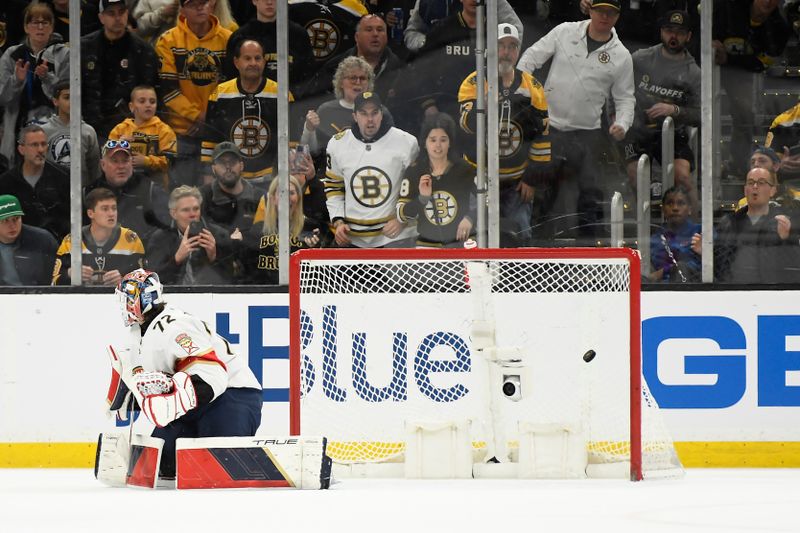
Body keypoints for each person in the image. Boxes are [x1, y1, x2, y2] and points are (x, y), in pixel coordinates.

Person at [113, 267, 262, 479]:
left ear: (142, 300)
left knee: (220, 467)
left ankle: (252, 457)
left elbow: (214, 375)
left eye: (127, 299)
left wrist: (173, 401)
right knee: (161, 466)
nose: (123, 306)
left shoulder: (175, 327)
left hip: (232, 396)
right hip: (194, 405)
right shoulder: (139, 333)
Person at [517, 0, 635, 242]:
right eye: (600, 10)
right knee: (541, 192)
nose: (604, 16)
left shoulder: (622, 56)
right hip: (550, 127)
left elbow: (625, 98)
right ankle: (537, 248)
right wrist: (524, 93)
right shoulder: (564, 31)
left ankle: (589, 250)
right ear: (590, 10)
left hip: (588, 133)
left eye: (610, 12)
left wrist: (622, 124)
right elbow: (531, 58)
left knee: (590, 194)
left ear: (618, 16)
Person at [458, 23, 551, 246]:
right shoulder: (473, 82)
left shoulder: (533, 87)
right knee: (476, 239)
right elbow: (465, 125)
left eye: (512, 46)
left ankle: (519, 279)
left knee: (519, 237)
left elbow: (543, 138)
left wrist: (531, 178)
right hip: (477, 178)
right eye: (500, 45)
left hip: (517, 182)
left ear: (518, 51)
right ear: (490, 48)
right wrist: (489, 104)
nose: (506, 52)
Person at [622, 10, 701, 211]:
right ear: (661, 32)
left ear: (689, 36)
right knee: (635, 175)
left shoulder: (694, 73)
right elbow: (617, 86)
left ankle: (697, 229)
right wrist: (616, 115)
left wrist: (674, 109)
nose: (673, 36)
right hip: (638, 130)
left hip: (674, 133)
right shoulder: (640, 59)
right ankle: (640, 227)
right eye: (669, 30)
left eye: (680, 32)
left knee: (683, 176)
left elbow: (702, 114)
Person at [324, 91, 419, 248]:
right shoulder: (337, 144)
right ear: (355, 116)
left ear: (381, 114)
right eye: (363, 113)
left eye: (374, 113)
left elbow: (417, 187)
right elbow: (334, 187)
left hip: (396, 238)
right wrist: (338, 222)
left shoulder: (406, 142)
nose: (370, 119)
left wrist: (402, 220)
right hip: (353, 239)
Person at [156, 0, 232, 187]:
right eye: (193, 4)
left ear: (212, 5)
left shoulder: (228, 38)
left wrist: (211, 115)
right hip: (183, 132)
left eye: (204, 2)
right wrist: (197, 115)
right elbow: (167, 89)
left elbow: (231, 84)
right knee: (182, 194)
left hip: (218, 132)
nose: (200, 7)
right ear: (182, 9)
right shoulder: (168, 40)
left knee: (216, 195)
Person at [713, 0, 790, 176]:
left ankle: (738, 163)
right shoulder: (726, 8)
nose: (769, 1)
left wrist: (729, 60)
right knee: (701, 110)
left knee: (745, 112)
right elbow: (700, 31)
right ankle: (705, 164)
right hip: (708, 67)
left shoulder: (779, 29)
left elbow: (761, 64)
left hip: (741, 72)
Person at [202, 39, 294, 185]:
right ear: (236, 62)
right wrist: (208, 179)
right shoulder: (220, 93)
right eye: (247, 58)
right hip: (230, 179)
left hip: (271, 180)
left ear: (264, 62)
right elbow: (209, 141)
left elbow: (292, 142)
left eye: (257, 58)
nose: (253, 63)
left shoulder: (281, 93)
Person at [692, 167, 800, 283]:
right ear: (745, 190)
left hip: (770, 292)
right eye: (750, 182)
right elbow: (721, 268)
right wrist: (705, 253)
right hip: (735, 292)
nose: (755, 186)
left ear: (773, 190)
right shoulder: (728, 223)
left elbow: (793, 268)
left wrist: (786, 239)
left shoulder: (784, 223)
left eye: (761, 182)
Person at [0, 2, 70, 164]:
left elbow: (69, 98)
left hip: (55, 129)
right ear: (26, 27)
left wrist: (47, 78)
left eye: (45, 23)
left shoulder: (65, 54)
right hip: (19, 129)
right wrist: (16, 80)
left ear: (52, 27)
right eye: (35, 22)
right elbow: (2, 98)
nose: (40, 27)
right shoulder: (12, 55)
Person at [80, 0, 160, 141]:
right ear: (101, 17)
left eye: (121, 12)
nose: (117, 18)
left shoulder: (143, 51)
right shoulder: (84, 48)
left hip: (132, 131)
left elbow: (153, 91)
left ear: (127, 14)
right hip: (89, 128)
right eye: (111, 13)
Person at [397, 112, 476, 247]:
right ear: (425, 143)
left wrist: (471, 218)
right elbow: (401, 214)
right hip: (426, 246)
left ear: (450, 142)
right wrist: (422, 199)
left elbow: (487, 201)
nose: (438, 145)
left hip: (461, 244)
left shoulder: (465, 169)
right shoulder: (415, 171)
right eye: (433, 140)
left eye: (443, 140)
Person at [301, 56, 394, 158]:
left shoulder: (381, 113)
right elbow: (311, 153)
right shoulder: (326, 111)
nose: (358, 82)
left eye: (362, 78)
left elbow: (390, 151)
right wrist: (309, 129)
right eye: (352, 78)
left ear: (369, 84)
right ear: (341, 82)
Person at [51, 187, 145, 286]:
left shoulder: (130, 240)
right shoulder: (72, 241)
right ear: (91, 213)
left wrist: (126, 280)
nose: (111, 214)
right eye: (105, 209)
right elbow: (54, 283)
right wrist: (70, 274)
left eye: (114, 208)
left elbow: (146, 283)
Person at [309, 14, 404, 110]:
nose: (375, 34)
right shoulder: (334, 67)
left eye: (380, 30)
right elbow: (312, 103)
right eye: (369, 29)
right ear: (357, 37)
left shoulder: (400, 70)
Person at [84, 139, 171, 244]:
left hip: (141, 254)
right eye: (114, 161)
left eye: (125, 161)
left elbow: (167, 228)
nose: (121, 166)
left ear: (131, 162)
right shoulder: (88, 192)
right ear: (103, 165)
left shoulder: (149, 188)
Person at [146, 185, 235, 284]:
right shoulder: (160, 239)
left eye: (196, 209)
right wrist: (176, 259)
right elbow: (152, 280)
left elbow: (232, 278)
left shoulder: (219, 235)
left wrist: (214, 257)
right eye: (186, 210)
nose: (193, 214)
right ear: (173, 214)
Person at [242, 175, 322, 284]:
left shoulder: (311, 228)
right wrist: (237, 244)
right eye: (282, 192)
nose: (286, 197)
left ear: (298, 197)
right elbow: (249, 270)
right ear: (272, 198)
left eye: (291, 193)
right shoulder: (258, 228)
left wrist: (314, 250)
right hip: (267, 294)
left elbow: (318, 274)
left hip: (299, 294)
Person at [223, 0, 313, 96]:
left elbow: (308, 78)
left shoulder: (298, 35)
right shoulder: (239, 37)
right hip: (250, 105)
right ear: (254, 1)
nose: (269, 2)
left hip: (292, 104)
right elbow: (231, 79)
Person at [0, 124, 69, 240]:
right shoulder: (6, 182)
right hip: (20, 246)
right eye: (34, 145)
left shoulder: (64, 176)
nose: (40, 150)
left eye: (43, 144)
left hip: (59, 246)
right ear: (21, 149)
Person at [108, 85, 178, 191]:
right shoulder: (120, 130)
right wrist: (119, 147)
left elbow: (171, 161)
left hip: (156, 188)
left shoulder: (164, 130)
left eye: (152, 101)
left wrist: (146, 161)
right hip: (124, 189)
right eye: (142, 101)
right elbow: (107, 159)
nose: (148, 105)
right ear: (131, 106)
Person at [41, 80, 102, 186]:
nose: (72, 101)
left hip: (81, 191)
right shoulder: (43, 131)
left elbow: (94, 168)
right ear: (55, 101)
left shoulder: (88, 131)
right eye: (67, 97)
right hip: (52, 191)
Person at [403, 0, 522, 53]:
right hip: (439, 69)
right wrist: (429, 45)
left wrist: (500, 54)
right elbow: (412, 33)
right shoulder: (427, 2)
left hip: (480, 65)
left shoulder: (493, 1)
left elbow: (515, 28)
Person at [199, 141, 262, 240]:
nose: (228, 167)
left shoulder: (260, 197)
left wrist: (244, 238)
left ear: (241, 166)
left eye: (232, 162)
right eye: (222, 163)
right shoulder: (202, 197)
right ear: (213, 168)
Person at [0, 193, 58, 286]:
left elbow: (59, 273)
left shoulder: (42, 240)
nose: (12, 225)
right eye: (5, 220)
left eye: (16, 219)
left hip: (37, 296)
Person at [648, 185, 701, 283]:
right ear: (663, 209)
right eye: (670, 203)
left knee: (682, 268)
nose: (675, 208)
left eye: (681, 203)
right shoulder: (656, 237)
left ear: (689, 209)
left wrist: (704, 253)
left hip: (693, 288)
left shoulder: (701, 232)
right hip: (659, 290)